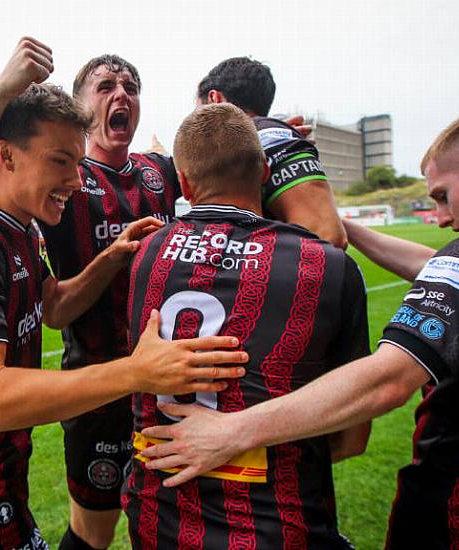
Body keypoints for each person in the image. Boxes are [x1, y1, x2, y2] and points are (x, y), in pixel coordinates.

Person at [140, 110, 459, 548]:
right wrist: (335, 224)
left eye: (443, 196)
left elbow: (389, 380)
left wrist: (233, 431)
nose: (445, 217)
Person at [0, 37, 338, 550]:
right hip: (97, 386)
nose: (120, 94)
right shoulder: (60, 176)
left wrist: (273, 136)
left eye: (130, 86)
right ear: (81, 108)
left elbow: (223, 159)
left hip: (173, 386)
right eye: (104, 86)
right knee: (95, 526)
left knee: (173, 518)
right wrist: (3, 90)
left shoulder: (160, 171)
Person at [0, 83, 248, 550]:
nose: (74, 180)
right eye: (60, 161)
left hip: (1, 468)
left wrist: (113, 255)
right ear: (6, 156)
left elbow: (54, 306)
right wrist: (136, 371)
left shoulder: (20, 229)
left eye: (76, 162)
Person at [123, 103, 369, 549]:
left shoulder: (146, 254)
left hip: (159, 519)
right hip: (280, 525)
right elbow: (353, 437)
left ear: (185, 184)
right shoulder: (327, 267)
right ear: (264, 172)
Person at [196, 57, 347, 249]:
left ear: (214, 99)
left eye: (198, 110)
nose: (195, 122)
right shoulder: (241, 145)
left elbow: (327, 237)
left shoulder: (272, 138)